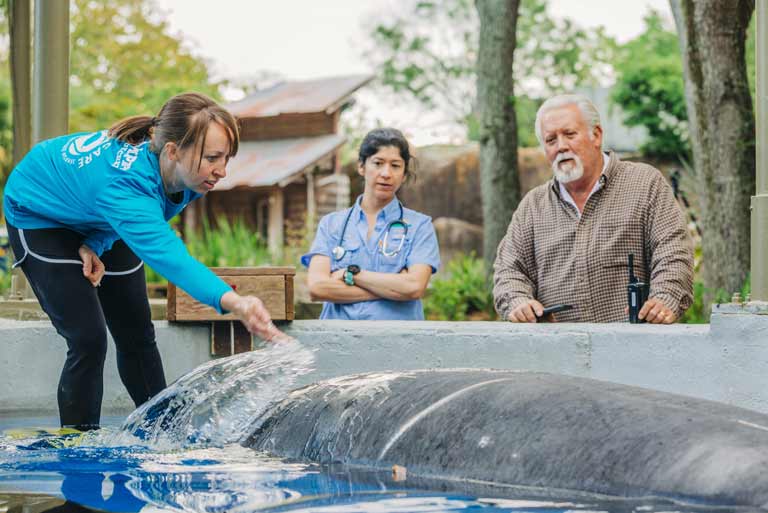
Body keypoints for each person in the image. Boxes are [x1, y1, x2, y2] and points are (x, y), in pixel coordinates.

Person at [3, 92, 284, 430]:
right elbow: (169, 255)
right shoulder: (126, 185)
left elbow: (119, 215)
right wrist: (234, 301)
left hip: (96, 212)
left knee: (136, 331)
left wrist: (97, 241)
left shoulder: (187, 178)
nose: (222, 171)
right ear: (172, 151)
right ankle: (77, 446)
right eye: (213, 157)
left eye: (227, 157)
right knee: (89, 338)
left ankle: (164, 435)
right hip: (40, 213)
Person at [493, 94, 694, 324]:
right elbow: (508, 270)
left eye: (570, 134)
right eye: (551, 140)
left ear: (596, 135)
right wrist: (518, 302)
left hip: (636, 349)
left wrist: (664, 298)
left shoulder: (644, 184)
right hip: (559, 353)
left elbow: (673, 251)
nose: (561, 146)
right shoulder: (533, 206)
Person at [302, 128, 440, 320]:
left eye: (395, 165)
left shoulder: (420, 226)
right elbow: (317, 287)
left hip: (399, 342)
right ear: (361, 166)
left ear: (404, 174)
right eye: (378, 163)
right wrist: (393, 289)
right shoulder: (331, 224)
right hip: (338, 341)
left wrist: (351, 275)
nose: (386, 173)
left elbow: (414, 287)